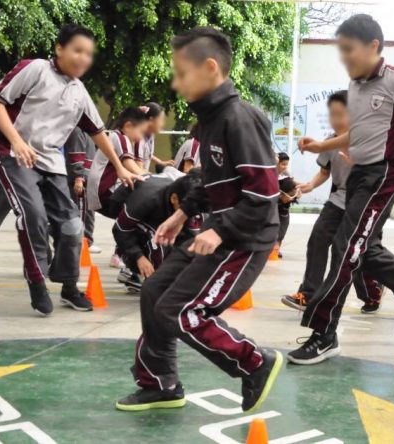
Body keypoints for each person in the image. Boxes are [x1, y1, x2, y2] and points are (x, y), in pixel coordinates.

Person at [115, 27, 282, 413]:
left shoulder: (240, 119)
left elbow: (264, 195)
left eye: (182, 72)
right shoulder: (210, 119)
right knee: (155, 291)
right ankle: (160, 383)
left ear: (210, 69)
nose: (175, 82)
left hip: (243, 239)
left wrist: (219, 230)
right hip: (218, 232)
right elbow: (210, 179)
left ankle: (254, 362)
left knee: (181, 310)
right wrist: (182, 213)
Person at [291, 14, 394, 365]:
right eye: (340, 52)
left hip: (384, 176)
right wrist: (320, 148)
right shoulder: (356, 87)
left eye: (349, 50)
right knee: (361, 249)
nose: (344, 58)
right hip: (358, 176)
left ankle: (323, 333)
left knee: (345, 249)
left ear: (373, 46)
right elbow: (357, 133)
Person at [0, 24, 139, 316]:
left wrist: (120, 167)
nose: (83, 58)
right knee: (33, 215)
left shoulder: (79, 93)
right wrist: (17, 142)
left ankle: (69, 287)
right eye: (77, 50)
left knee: (72, 225)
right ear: (59, 49)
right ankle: (36, 282)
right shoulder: (35, 69)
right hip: (12, 154)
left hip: (50, 162)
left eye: (88, 54)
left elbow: (98, 133)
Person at [281, 91, 385, 314]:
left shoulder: (368, 141)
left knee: (360, 254)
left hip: (366, 203)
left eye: (342, 114)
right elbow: (325, 172)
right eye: (332, 114)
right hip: (339, 200)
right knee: (318, 239)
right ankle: (308, 294)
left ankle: (373, 291)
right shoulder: (329, 142)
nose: (336, 119)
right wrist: (309, 185)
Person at [112, 171, 207, 292]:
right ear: (174, 199)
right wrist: (139, 257)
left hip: (163, 207)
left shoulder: (191, 202)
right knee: (157, 244)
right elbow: (120, 230)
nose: (189, 211)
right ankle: (137, 272)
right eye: (186, 207)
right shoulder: (146, 200)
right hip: (128, 202)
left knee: (191, 243)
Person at [85, 106, 150, 218]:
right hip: (104, 191)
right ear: (128, 126)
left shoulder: (116, 137)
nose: (140, 138)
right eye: (141, 132)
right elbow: (130, 165)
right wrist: (154, 180)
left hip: (98, 193)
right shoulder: (120, 137)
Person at [65, 127, 98, 252]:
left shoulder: (87, 131)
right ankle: (83, 241)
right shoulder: (77, 131)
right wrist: (79, 177)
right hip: (81, 178)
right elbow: (76, 155)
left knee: (87, 211)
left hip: (87, 176)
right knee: (82, 210)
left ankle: (87, 240)